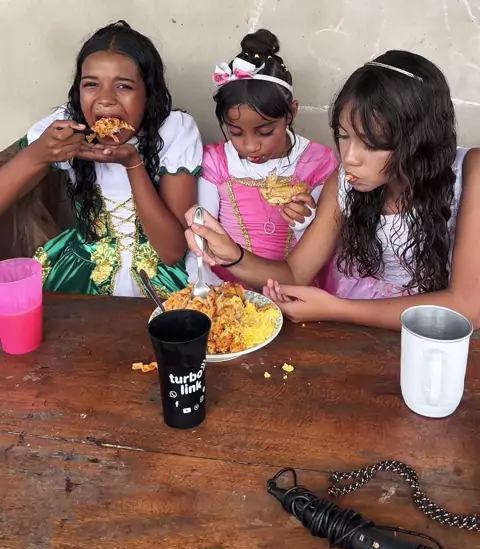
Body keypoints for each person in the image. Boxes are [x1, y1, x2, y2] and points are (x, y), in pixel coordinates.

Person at [185, 50, 480, 330]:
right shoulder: (343, 183)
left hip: (436, 334)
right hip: (356, 332)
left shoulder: (471, 173)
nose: (349, 157)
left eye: (371, 144)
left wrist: (336, 309)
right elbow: (294, 274)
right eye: (343, 135)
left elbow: (468, 307)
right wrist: (231, 254)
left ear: (418, 140)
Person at [0, 20, 202, 297]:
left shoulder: (173, 131)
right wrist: (38, 155)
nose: (105, 99)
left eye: (124, 86)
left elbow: (171, 252)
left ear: (149, 94)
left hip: (161, 278)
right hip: (79, 274)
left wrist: (133, 164)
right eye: (91, 84)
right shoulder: (66, 126)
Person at [186, 29, 337, 288]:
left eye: (265, 132)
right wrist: (206, 283)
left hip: (293, 289)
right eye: (235, 132)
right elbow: (203, 236)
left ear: (291, 113)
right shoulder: (217, 162)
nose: (251, 146)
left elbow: (325, 249)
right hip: (227, 288)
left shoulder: (317, 163)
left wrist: (306, 223)